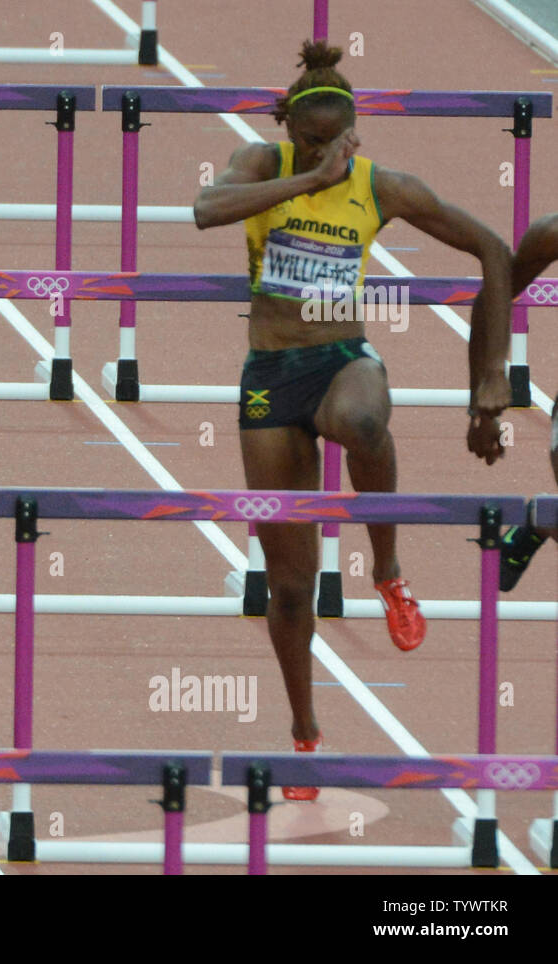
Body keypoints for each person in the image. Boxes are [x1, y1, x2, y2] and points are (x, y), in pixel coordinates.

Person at [193, 41, 512, 799]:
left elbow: (495, 251)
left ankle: (390, 572)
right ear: (289, 130)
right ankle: (305, 736)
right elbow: (205, 211)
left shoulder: (383, 187)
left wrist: (488, 379)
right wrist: (307, 177)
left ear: (354, 132)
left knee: (365, 421)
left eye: (335, 141)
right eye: (308, 140)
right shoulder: (261, 165)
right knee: (293, 588)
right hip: (270, 375)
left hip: (341, 356)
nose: (323, 150)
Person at [490, 213, 558, 590]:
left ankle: (540, 519)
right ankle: (540, 518)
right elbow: (498, 292)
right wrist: (488, 375)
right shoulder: (551, 234)